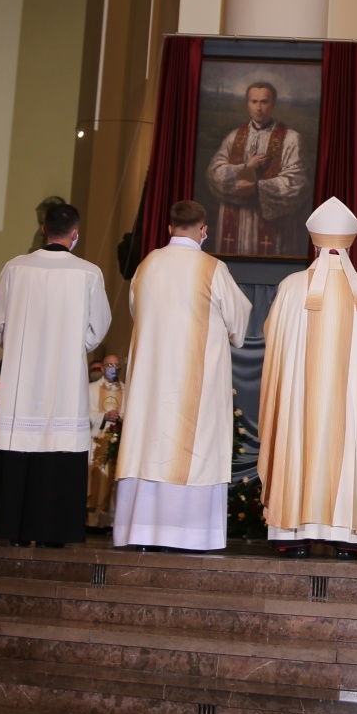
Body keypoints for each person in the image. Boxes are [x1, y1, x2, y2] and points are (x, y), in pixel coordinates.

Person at [113, 200, 252, 551]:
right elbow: (238, 322)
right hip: (196, 388)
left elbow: (136, 311)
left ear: (169, 228)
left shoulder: (147, 266)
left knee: (149, 446)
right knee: (194, 449)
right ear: (204, 231)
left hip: (151, 383)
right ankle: (188, 536)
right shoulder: (212, 268)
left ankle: (142, 533)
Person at [0, 203, 113, 548]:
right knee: (59, 447)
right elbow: (99, 326)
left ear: (44, 229)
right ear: (75, 234)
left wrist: (20, 347)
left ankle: (14, 529)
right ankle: (54, 532)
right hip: (64, 380)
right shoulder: (88, 273)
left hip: (22, 380)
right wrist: (73, 348)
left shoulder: (15, 267)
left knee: (20, 446)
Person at [258, 198, 357, 558]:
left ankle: (293, 532)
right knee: (351, 439)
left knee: (297, 437)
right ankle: (347, 537)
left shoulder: (291, 286)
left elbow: (273, 337)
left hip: (301, 403)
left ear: (315, 244)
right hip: (351, 404)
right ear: (350, 244)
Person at [205, 81, 311, 256]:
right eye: (254, 101)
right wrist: (245, 167)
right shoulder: (234, 137)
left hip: (274, 227)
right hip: (236, 221)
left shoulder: (291, 139)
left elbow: (297, 182)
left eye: (264, 102)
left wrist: (257, 188)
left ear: (273, 104)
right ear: (247, 103)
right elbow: (214, 172)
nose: (259, 108)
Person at [88, 353, 124, 531]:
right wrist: (103, 416)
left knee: (115, 479)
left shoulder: (126, 390)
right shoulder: (91, 389)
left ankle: (109, 522)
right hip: (97, 440)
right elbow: (84, 412)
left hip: (118, 441)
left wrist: (120, 416)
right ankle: (92, 521)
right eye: (109, 365)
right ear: (102, 368)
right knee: (95, 477)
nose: (113, 369)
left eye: (116, 365)